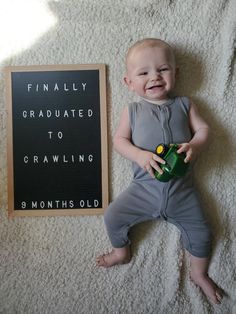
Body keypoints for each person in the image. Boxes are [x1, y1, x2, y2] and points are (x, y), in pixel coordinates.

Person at [96, 38, 223, 304]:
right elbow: (119, 141)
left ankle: (198, 273)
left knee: (202, 232)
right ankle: (122, 252)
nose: (154, 77)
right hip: (143, 188)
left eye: (163, 70)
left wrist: (195, 146)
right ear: (128, 82)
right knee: (112, 217)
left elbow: (203, 130)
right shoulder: (131, 111)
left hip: (182, 191)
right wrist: (140, 155)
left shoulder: (185, 105)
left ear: (176, 74)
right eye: (143, 73)